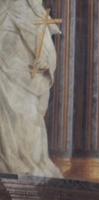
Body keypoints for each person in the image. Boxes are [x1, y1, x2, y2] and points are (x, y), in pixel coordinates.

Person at [0, 0, 62, 177]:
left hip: (24, 75)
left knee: (24, 115)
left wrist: (45, 61)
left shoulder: (30, 10)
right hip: (3, 73)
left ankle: (22, 158)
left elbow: (47, 47)